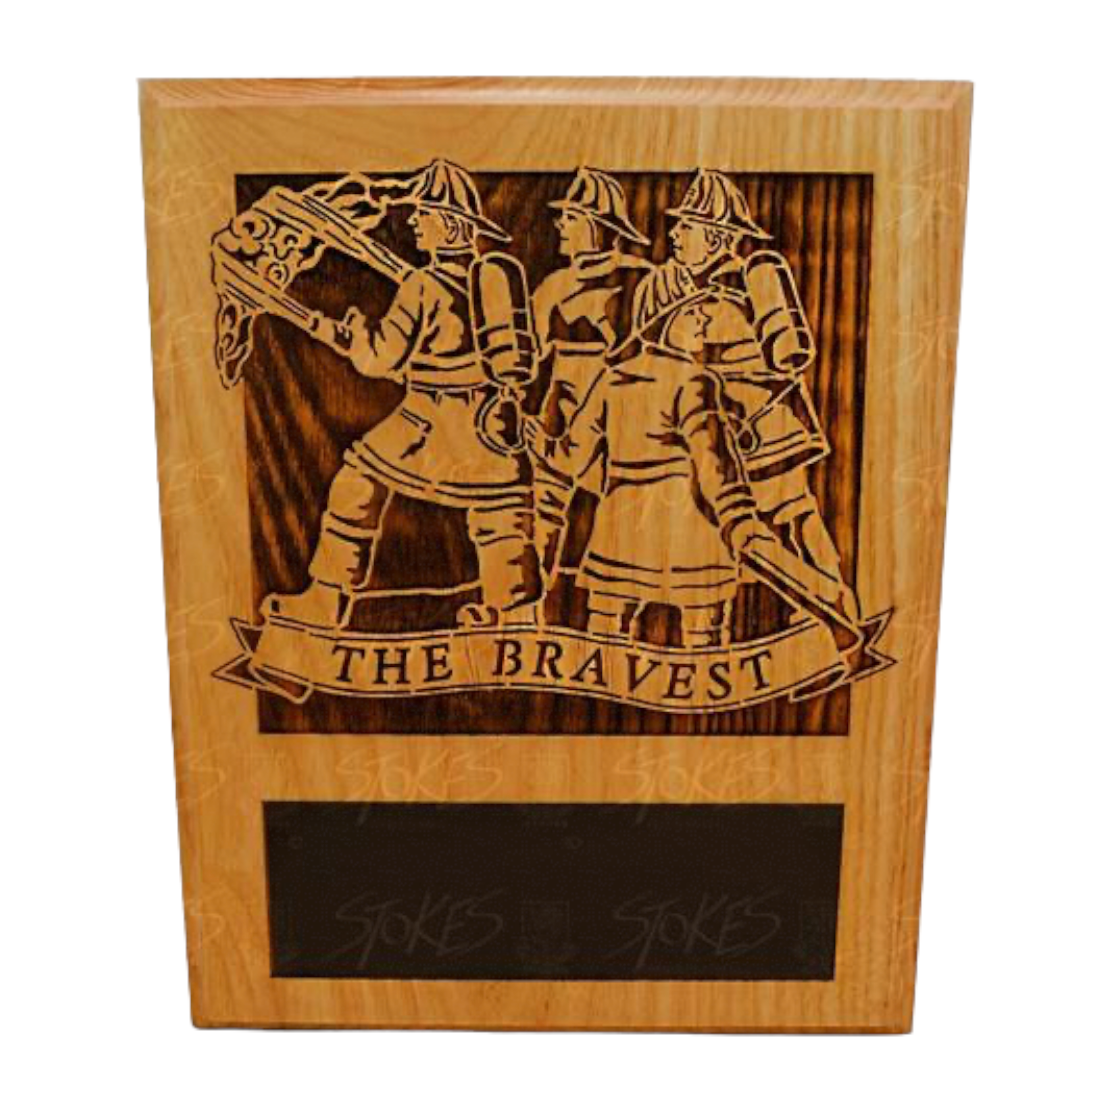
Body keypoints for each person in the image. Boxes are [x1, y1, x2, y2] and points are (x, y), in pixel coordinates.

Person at [263, 159, 539, 628]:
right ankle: (512, 612)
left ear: (447, 225)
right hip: (489, 423)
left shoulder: (422, 286)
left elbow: (379, 359)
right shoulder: (489, 279)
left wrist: (353, 335)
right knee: (501, 513)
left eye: (423, 214)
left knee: (356, 485)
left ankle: (326, 603)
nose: (413, 222)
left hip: (427, 422)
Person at [635, 169, 860, 623]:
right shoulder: (672, 286)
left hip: (762, 425)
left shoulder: (753, 277)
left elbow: (787, 352)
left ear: (716, 236)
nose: (674, 234)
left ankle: (835, 600)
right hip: (706, 429)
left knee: (791, 512)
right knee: (724, 525)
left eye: (687, 226)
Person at [544, 283, 762, 647]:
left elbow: (571, 457)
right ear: (664, 321)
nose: (703, 319)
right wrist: (737, 512)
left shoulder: (611, 379)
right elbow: (712, 458)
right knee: (703, 638)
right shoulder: (693, 382)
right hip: (687, 524)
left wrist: (537, 442)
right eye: (692, 312)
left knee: (604, 635)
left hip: (620, 526)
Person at [529, 168, 652, 583]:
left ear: (598, 226)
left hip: (624, 409)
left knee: (630, 505)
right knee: (545, 499)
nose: (560, 226)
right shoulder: (553, 285)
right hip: (561, 405)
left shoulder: (639, 278)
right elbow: (529, 353)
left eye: (572, 217)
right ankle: (534, 596)